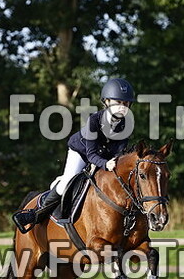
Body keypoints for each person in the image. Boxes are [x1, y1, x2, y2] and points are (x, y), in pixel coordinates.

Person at [13, 78, 135, 232]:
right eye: (118, 102)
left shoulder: (126, 125)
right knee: (67, 183)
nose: (122, 107)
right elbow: (90, 154)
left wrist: (114, 162)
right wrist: (105, 164)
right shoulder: (94, 121)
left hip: (104, 157)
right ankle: (36, 214)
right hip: (81, 152)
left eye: (125, 104)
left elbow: (119, 151)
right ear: (107, 101)